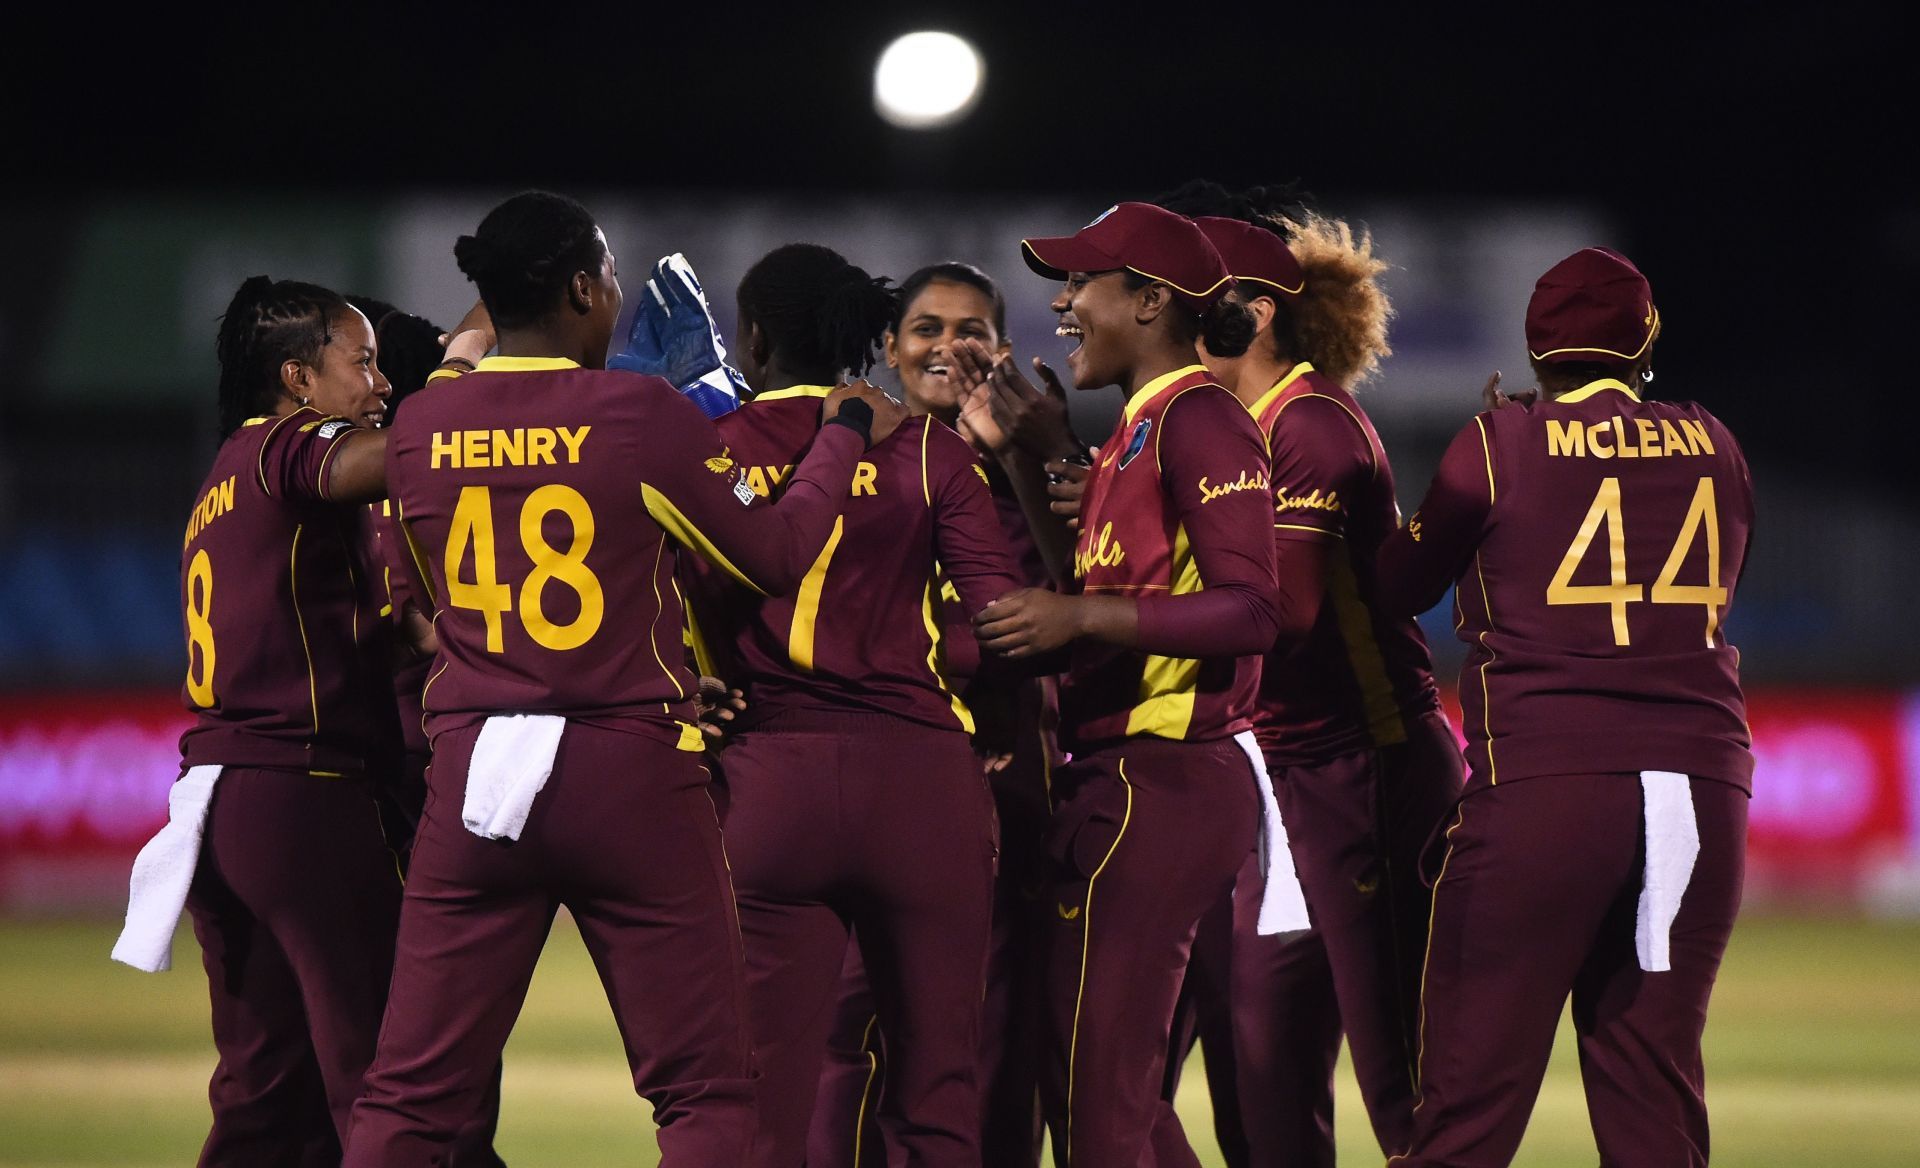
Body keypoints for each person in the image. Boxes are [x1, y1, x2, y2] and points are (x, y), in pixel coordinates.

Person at [342, 191, 903, 1167]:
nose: (617, 296)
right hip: (626, 766)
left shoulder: (421, 427)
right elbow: (776, 554)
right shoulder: (639, 414)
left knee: (409, 1098)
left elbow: (417, 566)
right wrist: (842, 435)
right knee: (705, 1094)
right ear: (581, 288)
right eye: (607, 276)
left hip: (475, 774)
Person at [1374, 247, 1754, 1167]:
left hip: (1548, 787)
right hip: (1700, 795)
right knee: (1653, 1099)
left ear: (1538, 353)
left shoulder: (1496, 446)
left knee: (1466, 1112)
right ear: (1644, 344)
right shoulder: (1718, 441)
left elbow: (1394, 585)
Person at [674, 243, 1022, 1168]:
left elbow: (660, 609)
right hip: (922, 788)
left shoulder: (712, 448)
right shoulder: (932, 452)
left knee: (757, 1093)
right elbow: (995, 623)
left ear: (750, 340)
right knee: (938, 1092)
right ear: (866, 340)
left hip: (766, 783)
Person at [962, 201, 1284, 1167]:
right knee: (1098, 1094)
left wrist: (1079, 618)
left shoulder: (1202, 418)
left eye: (1080, 283)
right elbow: (1083, 596)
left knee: (1098, 1101)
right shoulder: (1134, 436)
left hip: (1164, 776)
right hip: (1128, 776)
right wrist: (1029, 451)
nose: (1060, 303)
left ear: (1149, 302)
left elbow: (1253, 610)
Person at [1149, 191, 1466, 1166]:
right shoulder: (1239, 429)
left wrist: (1102, 612)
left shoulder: (1309, 426)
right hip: (1282, 775)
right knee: (1267, 1065)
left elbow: (1282, 614)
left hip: (1359, 767)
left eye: (1198, 297)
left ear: (1258, 310)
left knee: (1399, 1080)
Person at [112, 274, 443, 1165]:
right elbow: (368, 459)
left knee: (266, 1105)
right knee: (386, 1084)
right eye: (363, 363)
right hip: (307, 795)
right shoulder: (295, 445)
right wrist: (472, 396)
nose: (381, 385)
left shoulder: (225, 474)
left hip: (222, 806)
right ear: (299, 380)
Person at [800, 261, 1055, 1168]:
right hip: (874, 783)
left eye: (971, 329)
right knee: (839, 1031)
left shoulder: (1040, 464)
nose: (949, 345)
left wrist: (1022, 458)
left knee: (987, 1045)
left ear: (1004, 350)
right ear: (889, 348)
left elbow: (1063, 610)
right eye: (926, 329)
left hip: (1002, 792)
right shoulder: (840, 460)